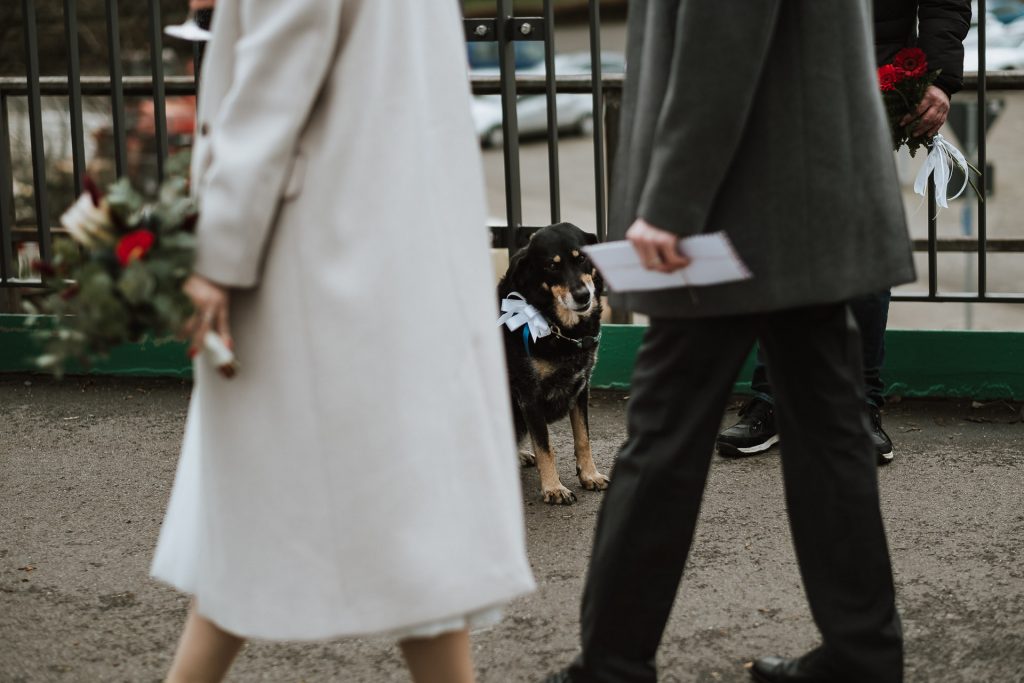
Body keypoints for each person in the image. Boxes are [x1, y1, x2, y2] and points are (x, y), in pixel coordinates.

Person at [151, 1, 535, 682]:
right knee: (416, 531)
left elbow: (273, 86)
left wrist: (214, 253)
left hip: (313, 252)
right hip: (392, 252)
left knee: (258, 511)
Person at [544, 2, 914, 682]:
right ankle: (863, 654)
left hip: (731, 202)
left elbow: (725, 24)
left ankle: (611, 665)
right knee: (831, 434)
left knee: (663, 434)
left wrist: (674, 201)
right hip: (802, 185)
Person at [717, 0, 971, 466]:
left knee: (861, 247)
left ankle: (859, 403)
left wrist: (939, 77)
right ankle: (773, 399)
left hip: (871, 78)